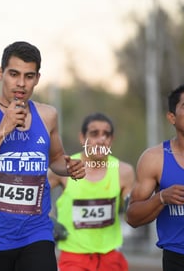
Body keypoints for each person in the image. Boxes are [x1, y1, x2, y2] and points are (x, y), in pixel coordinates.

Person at [0, 41, 85, 271]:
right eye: (14, 74)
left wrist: (70, 168)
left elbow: (56, 159)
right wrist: (1, 131)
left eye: (29, 76)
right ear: (0, 73)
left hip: (37, 233)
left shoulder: (48, 116)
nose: (21, 83)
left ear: (37, 78)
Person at [126, 83, 184, 270]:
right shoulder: (154, 159)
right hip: (179, 259)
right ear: (172, 117)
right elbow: (132, 217)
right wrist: (161, 198)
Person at [48, 112, 135, 271]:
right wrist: (48, 221)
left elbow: (134, 212)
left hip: (110, 256)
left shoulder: (124, 171)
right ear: (82, 138)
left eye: (106, 134)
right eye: (94, 134)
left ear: (111, 140)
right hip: (73, 257)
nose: (101, 139)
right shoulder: (65, 167)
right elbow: (35, 194)